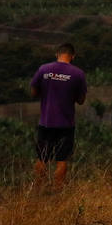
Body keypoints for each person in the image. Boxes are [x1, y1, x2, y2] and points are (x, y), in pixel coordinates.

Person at [30, 42, 87, 189]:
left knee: (42, 158)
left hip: (46, 122)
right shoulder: (78, 73)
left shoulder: (44, 69)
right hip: (66, 123)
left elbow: (33, 91)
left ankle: (38, 187)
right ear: (73, 56)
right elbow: (81, 100)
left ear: (57, 54)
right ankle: (57, 189)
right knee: (62, 159)